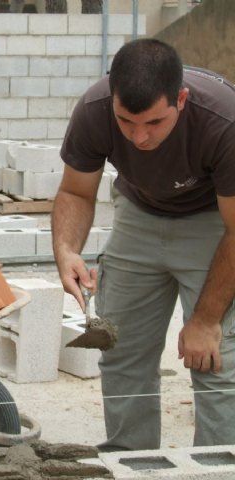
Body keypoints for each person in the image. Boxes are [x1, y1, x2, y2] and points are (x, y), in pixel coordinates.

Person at [51, 38, 235, 451]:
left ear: (181, 99)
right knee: (117, 345)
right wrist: (66, 250)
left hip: (214, 223)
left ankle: (218, 466)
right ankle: (131, 457)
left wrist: (205, 320)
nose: (138, 137)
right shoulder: (94, 109)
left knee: (215, 356)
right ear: (113, 98)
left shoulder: (223, 120)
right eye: (126, 121)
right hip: (138, 212)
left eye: (153, 123)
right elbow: (76, 193)